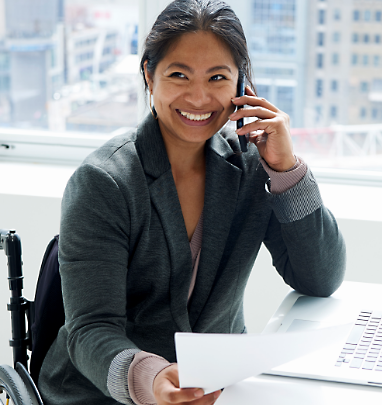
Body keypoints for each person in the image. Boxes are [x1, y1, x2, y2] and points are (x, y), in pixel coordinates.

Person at [38, 1, 346, 404]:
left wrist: (286, 169)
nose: (199, 98)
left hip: (219, 387)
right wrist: (151, 379)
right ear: (150, 76)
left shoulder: (253, 165)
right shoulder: (104, 182)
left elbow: (319, 279)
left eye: (217, 77)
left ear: (241, 86)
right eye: (178, 74)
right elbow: (91, 329)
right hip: (104, 394)